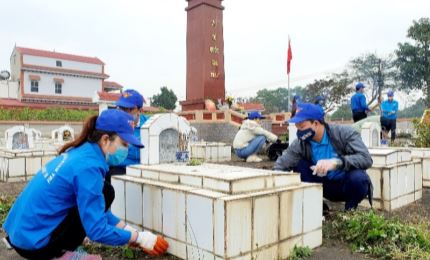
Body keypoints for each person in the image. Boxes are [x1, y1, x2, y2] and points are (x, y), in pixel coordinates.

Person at [3, 109, 168, 260]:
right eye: (124, 144)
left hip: (21, 234)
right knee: (107, 191)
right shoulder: (88, 168)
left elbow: (98, 210)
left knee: (104, 192)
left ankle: (58, 249)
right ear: (105, 140)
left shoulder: (82, 153)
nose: (126, 150)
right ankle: (59, 254)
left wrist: (133, 233)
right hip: (35, 244)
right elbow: (97, 230)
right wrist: (139, 238)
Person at [274, 103, 373, 211]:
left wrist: (336, 163)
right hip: (322, 185)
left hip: (345, 183)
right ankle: (318, 207)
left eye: (302, 127)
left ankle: (350, 210)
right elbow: (281, 165)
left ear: (316, 123)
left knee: (359, 178)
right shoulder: (300, 143)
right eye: (297, 128)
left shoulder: (344, 133)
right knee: (299, 164)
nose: (299, 132)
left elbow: (366, 158)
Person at [106, 89, 150, 182]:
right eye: (121, 108)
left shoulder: (150, 125)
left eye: (129, 109)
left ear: (140, 110)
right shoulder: (110, 124)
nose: (124, 112)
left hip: (144, 171)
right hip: (118, 169)